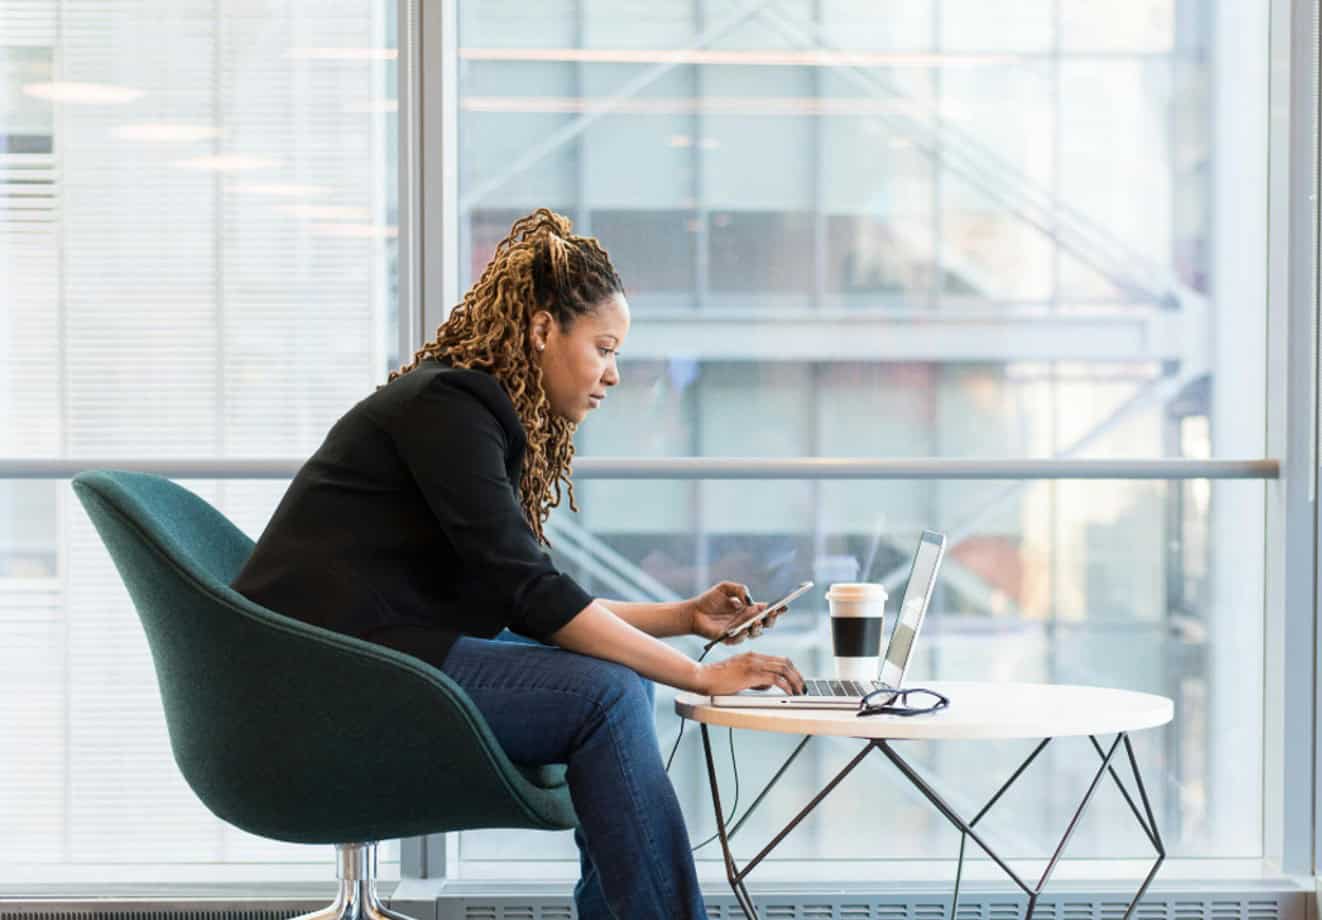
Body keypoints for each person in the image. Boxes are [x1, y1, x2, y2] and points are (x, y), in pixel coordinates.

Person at [230, 207, 807, 920]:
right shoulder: (452, 405)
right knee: (609, 695)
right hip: (325, 671)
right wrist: (697, 671)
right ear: (541, 330)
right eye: (603, 347)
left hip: (363, 653)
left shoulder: (466, 409)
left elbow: (529, 600)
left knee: (616, 683)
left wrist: (684, 618)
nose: (615, 375)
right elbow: (534, 597)